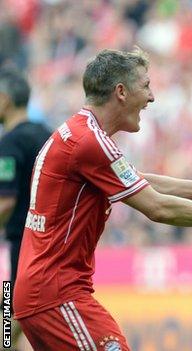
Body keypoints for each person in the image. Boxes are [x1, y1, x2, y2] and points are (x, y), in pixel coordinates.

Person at [13, 47, 192, 351]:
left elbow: (140, 181)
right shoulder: (89, 142)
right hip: (57, 292)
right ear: (121, 92)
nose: (152, 97)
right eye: (146, 86)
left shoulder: (83, 134)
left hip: (41, 287)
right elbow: (156, 207)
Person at [0, 67, 51, 350]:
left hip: (23, 241)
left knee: (9, 317)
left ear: (5, 99)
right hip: (50, 240)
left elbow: (5, 201)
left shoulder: (9, 143)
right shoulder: (47, 134)